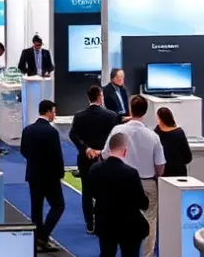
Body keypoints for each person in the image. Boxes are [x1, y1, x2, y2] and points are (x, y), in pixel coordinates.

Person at [102, 96, 165, 257]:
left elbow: (105, 155)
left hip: (119, 182)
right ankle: (147, 255)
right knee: (150, 219)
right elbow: (160, 167)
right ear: (145, 112)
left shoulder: (118, 130)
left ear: (130, 109)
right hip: (147, 183)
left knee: (117, 216)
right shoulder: (153, 136)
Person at [69, 85, 121, 234]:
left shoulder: (79, 116)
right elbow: (115, 137)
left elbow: (73, 135)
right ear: (100, 97)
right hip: (105, 159)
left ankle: (90, 224)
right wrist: (103, 151)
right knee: (106, 191)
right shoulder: (111, 116)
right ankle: (103, 222)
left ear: (89, 98)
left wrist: (86, 149)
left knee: (87, 191)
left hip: (86, 159)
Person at [90, 132, 150, 257]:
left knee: (106, 253)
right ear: (125, 151)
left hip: (105, 222)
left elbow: (93, 192)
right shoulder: (130, 173)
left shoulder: (95, 169)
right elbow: (142, 202)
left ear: (109, 148)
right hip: (128, 225)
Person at [20, 100, 65, 253]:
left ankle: (36, 238)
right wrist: (60, 173)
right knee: (58, 205)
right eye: (54, 111)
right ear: (48, 112)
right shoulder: (52, 132)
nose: (55, 115)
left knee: (36, 209)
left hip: (33, 175)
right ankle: (43, 236)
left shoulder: (28, 130)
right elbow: (57, 155)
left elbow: (24, 151)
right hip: (50, 177)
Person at [154, 107, 192, 178]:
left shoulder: (156, 134)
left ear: (160, 120)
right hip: (179, 173)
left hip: (163, 174)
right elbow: (187, 157)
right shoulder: (179, 133)